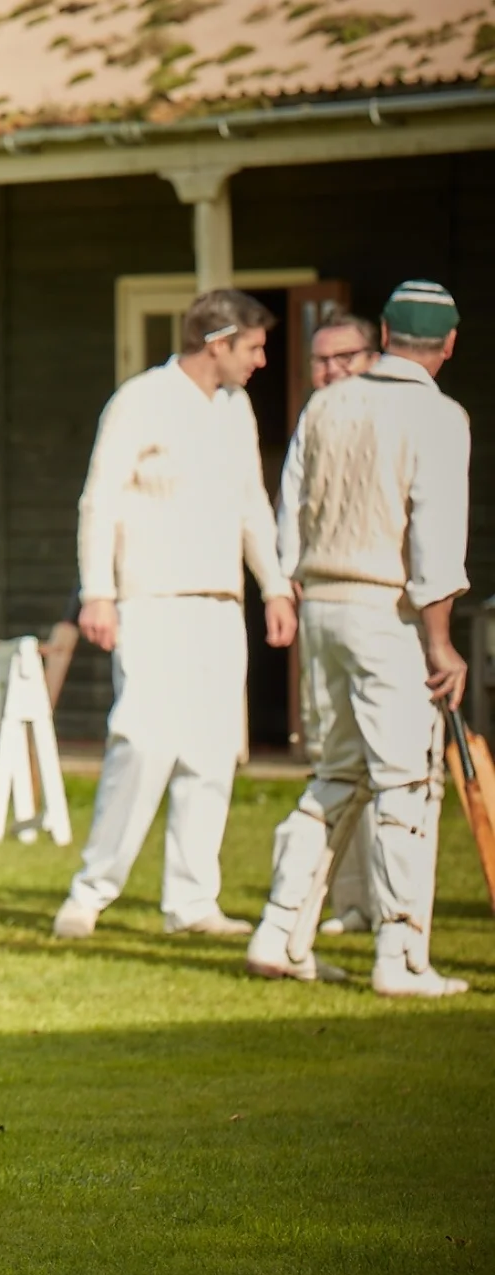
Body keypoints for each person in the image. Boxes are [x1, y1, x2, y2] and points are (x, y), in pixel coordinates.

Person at [246, 281, 471, 997]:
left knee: (337, 773)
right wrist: (441, 643)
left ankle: (280, 934)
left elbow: (292, 508)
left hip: (323, 606)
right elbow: (435, 540)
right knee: (407, 780)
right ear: (450, 344)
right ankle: (400, 958)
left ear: (384, 331)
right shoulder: (438, 415)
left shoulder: (327, 402)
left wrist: (290, 585)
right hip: (386, 612)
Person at [53, 289, 297, 940]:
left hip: (219, 604)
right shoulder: (140, 400)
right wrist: (98, 592)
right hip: (150, 600)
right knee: (142, 744)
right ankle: (90, 893)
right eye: (254, 347)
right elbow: (98, 499)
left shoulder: (235, 408)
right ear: (218, 344)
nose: (262, 360)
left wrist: (274, 587)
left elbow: (252, 504)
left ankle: (192, 902)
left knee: (213, 753)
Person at [274, 313, 382, 937]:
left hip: (385, 608)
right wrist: (287, 582)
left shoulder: (390, 418)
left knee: (388, 765)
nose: (332, 370)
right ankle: (346, 902)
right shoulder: (313, 421)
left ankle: (385, 910)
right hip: (322, 605)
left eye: (345, 357)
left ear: (372, 356)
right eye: (321, 360)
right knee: (333, 756)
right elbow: (292, 504)